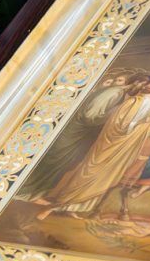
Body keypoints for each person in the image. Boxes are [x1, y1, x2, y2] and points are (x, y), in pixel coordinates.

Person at [37, 78, 150, 220]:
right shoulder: (134, 102)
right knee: (90, 173)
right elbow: (116, 124)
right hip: (111, 145)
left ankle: (72, 208)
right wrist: (141, 122)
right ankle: (56, 205)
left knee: (105, 177)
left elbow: (149, 128)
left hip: (126, 149)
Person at [18, 72, 129, 200]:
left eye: (120, 81)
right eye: (115, 80)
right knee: (54, 158)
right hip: (73, 132)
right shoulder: (113, 92)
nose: (115, 83)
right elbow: (89, 117)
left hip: (78, 135)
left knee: (62, 162)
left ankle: (34, 191)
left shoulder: (112, 93)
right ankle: (25, 189)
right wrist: (111, 115)